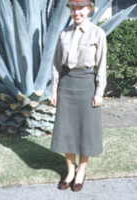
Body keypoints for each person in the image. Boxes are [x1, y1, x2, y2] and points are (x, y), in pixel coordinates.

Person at [50, 0, 107, 192]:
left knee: (86, 130)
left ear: (89, 9)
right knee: (67, 130)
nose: (76, 12)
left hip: (86, 85)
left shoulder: (97, 33)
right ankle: (70, 172)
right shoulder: (64, 33)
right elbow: (56, 64)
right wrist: (54, 89)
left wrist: (99, 92)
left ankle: (81, 172)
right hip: (67, 85)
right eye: (73, 9)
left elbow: (101, 66)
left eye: (80, 8)